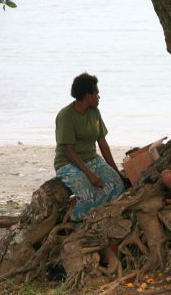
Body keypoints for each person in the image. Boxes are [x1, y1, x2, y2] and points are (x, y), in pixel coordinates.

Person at [54, 73, 126, 222]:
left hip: (91, 159)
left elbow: (102, 143)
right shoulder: (66, 115)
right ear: (87, 96)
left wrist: (115, 170)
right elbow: (69, 151)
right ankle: (72, 217)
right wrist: (90, 175)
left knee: (118, 186)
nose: (99, 97)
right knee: (88, 195)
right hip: (68, 163)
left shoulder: (95, 112)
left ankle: (97, 214)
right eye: (96, 94)